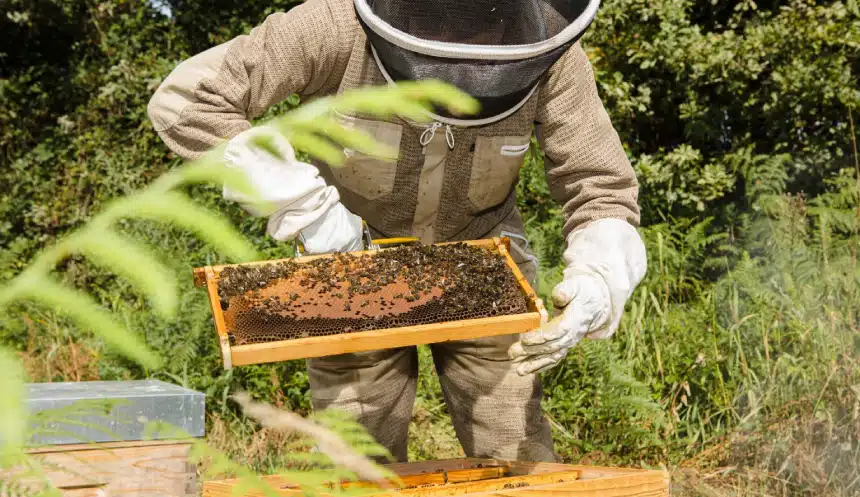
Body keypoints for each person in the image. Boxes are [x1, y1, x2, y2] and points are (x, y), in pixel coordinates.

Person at [147, 0, 647, 463]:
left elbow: (598, 180)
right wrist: (303, 206)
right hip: (349, 272)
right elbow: (188, 99)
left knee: (516, 452)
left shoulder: (550, 52)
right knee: (358, 463)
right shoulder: (330, 27)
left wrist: (600, 274)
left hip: (485, 271)